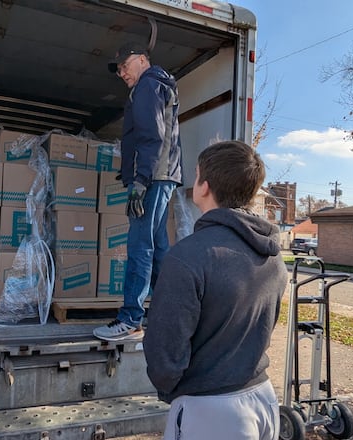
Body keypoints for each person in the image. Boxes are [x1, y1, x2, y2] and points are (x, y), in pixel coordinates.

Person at [143, 140, 287, 440]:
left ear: (204, 186)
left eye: (195, 174)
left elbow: (165, 354)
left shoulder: (188, 256)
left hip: (210, 411)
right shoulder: (273, 257)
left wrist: (171, 386)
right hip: (262, 398)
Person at [93, 41, 182, 341]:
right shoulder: (156, 84)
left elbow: (151, 136)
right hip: (161, 175)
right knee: (157, 248)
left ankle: (131, 318)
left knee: (140, 247)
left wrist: (140, 181)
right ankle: (169, 312)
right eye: (117, 69)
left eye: (124, 65)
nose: (121, 73)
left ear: (142, 59)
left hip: (153, 177)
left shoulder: (147, 86)